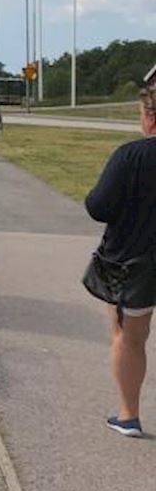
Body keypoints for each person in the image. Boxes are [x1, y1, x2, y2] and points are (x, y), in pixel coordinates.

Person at [82, 80, 156, 437]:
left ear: (150, 119)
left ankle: (129, 415)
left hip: (132, 261)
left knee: (128, 336)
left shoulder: (130, 156)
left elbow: (99, 206)